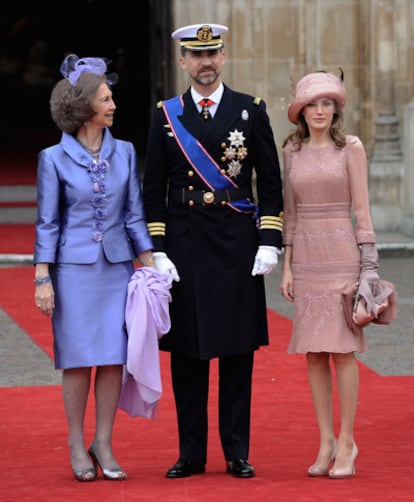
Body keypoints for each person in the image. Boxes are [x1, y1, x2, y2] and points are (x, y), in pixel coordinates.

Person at [143, 23, 283, 478]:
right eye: (196, 55)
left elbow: (271, 182)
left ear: (223, 58)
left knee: (237, 352)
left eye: (213, 54)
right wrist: (157, 248)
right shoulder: (166, 114)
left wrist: (269, 240)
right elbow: (153, 189)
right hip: (184, 245)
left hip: (236, 244)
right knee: (187, 354)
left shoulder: (250, 110)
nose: (205, 63)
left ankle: (236, 452)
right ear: (183, 62)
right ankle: (190, 453)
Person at [33, 54, 154, 482]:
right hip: (73, 271)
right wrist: (42, 276)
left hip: (117, 270)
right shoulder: (53, 158)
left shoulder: (125, 151)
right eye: (106, 98)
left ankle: (103, 442)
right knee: (79, 359)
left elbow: (134, 216)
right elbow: (48, 222)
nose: (114, 104)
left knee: (112, 359)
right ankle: (74, 441)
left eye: (112, 97)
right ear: (85, 108)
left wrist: (150, 265)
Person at [280, 69, 386, 479]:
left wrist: (369, 267)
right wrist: (287, 267)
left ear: (335, 108)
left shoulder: (351, 148)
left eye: (327, 103)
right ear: (300, 110)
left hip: (343, 255)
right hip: (306, 257)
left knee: (342, 351)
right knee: (314, 353)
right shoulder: (291, 150)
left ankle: (347, 441)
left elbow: (362, 209)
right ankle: (324, 440)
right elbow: (289, 213)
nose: (320, 110)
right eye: (312, 103)